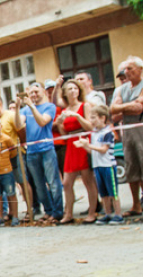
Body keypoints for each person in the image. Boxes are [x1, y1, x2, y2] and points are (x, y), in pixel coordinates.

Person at [110, 55, 143, 219]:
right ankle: (136, 205)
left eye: (130, 68)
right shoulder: (121, 89)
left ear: (140, 69)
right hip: (128, 130)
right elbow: (113, 112)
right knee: (131, 166)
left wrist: (123, 107)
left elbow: (139, 107)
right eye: (125, 69)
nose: (127, 72)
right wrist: (128, 106)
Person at [15, 82, 64, 223]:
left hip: (47, 149)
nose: (34, 95)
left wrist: (31, 106)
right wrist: (18, 108)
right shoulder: (25, 110)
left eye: (37, 91)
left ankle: (58, 212)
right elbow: (18, 125)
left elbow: (43, 122)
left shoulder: (50, 107)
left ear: (42, 91)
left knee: (53, 183)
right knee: (39, 185)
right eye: (31, 92)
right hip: (32, 151)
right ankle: (48, 211)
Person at [56, 79, 98, 224]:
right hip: (71, 146)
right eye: (70, 89)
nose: (73, 91)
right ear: (65, 93)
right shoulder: (64, 110)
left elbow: (90, 127)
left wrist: (78, 117)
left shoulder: (84, 106)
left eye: (75, 88)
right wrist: (61, 122)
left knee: (88, 180)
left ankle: (92, 212)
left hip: (83, 142)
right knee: (67, 182)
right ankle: (68, 213)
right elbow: (63, 133)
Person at [0, 95, 34, 222]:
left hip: (15, 155)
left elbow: (21, 131)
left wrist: (21, 148)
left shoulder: (10, 115)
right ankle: (12, 213)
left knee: (22, 182)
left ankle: (30, 209)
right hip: (2, 160)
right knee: (9, 185)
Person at [75, 104, 123, 225]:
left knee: (113, 192)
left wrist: (88, 145)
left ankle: (118, 214)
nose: (91, 120)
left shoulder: (107, 132)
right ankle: (107, 214)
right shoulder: (94, 133)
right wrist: (85, 146)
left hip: (108, 166)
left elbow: (103, 149)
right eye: (90, 117)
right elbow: (94, 151)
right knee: (103, 193)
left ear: (102, 118)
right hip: (97, 166)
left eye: (93, 117)